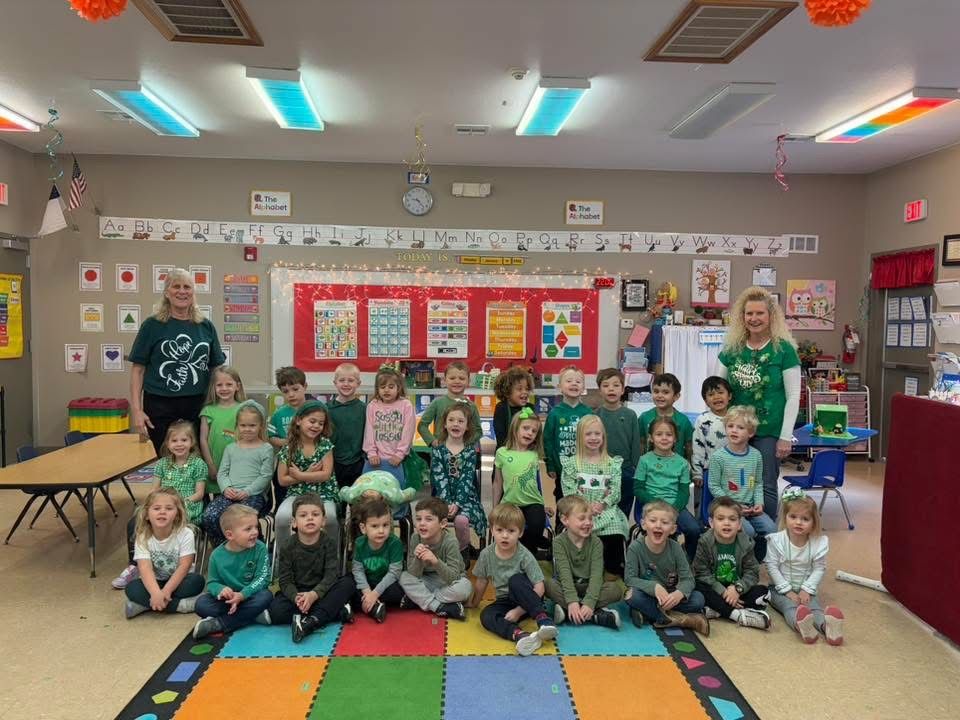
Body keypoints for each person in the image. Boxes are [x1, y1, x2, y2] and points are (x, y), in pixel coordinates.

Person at [718, 286, 801, 520]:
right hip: (736, 428)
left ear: (771, 316)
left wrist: (785, 435)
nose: (754, 319)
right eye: (749, 314)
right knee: (733, 481)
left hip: (769, 430)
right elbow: (716, 389)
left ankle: (765, 543)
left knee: (765, 484)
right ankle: (734, 535)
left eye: (759, 313)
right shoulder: (732, 349)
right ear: (742, 317)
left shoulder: (784, 350)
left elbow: (794, 395)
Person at [129, 267, 226, 454]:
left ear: (193, 292)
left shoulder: (205, 326)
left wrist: (221, 405)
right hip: (159, 403)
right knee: (166, 460)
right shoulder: (152, 325)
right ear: (167, 292)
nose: (182, 291)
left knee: (198, 459)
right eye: (176, 286)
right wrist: (136, 410)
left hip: (198, 403)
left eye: (187, 287)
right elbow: (138, 370)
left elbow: (217, 369)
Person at [113, 420, 207, 590]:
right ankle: (134, 565)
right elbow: (154, 489)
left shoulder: (198, 464)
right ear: (168, 443)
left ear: (192, 442)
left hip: (187, 506)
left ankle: (175, 565)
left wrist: (179, 504)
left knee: (171, 520)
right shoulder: (163, 463)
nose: (179, 444)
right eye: (174, 440)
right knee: (135, 521)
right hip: (162, 502)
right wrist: (149, 506)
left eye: (184, 440)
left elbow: (199, 493)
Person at [469, 503, 558, 656]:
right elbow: (482, 581)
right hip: (505, 601)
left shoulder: (524, 555)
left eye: (511, 531)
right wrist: (474, 603)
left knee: (515, 580)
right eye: (499, 530)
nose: (505, 535)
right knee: (486, 616)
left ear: (520, 533)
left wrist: (519, 611)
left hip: (529, 599)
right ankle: (519, 635)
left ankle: (544, 620)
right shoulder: (486, 555)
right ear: (492, 530)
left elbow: (539, 587)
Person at [270, 494, 356, 643]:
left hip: (322, 591)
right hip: (299, 593)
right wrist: (297, 597)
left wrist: (314, 595)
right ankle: (336, 612)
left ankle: (310, 622)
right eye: (303, 515)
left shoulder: (328, 543)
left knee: (348, 583)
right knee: (276, 610)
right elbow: (285, 580)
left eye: (315, 514)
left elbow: (331, 576)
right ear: (294, 523)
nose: (310, 518)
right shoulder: (287, 546)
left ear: (323, 521)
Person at [765, 489, 844, 645]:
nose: (798, 522)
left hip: (805, 590)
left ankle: (827, 628)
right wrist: (787, 591)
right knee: (790, 608)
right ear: (785, 517)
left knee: (814, 608)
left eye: (805, 519)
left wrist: (807, 589)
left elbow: (819, 568)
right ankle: (802, 627)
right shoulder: (776, 541)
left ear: (814, 522)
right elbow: (772, 567)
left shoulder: (817, 542)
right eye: (793, 517)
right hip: (779, 590)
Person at [624, 501, 709, 636]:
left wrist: (679, 593)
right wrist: (654, 586)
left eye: (664, 522)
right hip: (648, 594)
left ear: (673, 529)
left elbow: (688, 579)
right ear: (644, 524)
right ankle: (681, 620)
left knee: (698, 599)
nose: (658, 525)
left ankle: (649, 614)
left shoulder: (675, 548)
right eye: (653, 520)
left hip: (670, 596)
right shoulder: (635, 548)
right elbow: (629, 579)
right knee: (632, 596)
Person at [560, 415, 629, 576]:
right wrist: (585, 508)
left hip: (606, 511)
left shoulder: (612, 464)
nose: (593, 438)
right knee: (578, 532)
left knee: (615, 532)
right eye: (588, 434)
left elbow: (615, 490)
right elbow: (569, 492)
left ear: (603, 437)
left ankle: (612, 574)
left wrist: (602, 504)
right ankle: (583, 575)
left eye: (597, 434)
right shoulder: (571, 464)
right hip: (580, 512)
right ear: (580, 437)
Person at [193, 504, 272, 639]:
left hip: (250, 595)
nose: (255, 532)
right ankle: (252, 615)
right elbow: (212, 583)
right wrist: (221, 590)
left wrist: (242, 595)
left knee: (266, 596)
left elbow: (263, 579)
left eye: (256, 527)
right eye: (248, 529)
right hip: (228, 601)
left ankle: (219, 624)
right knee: (201, 604)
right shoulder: (216, 556)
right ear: (230, 535)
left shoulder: (260, 548)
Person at [123, 488, 205, 619]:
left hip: (180, 581)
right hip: (155, 581)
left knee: (197, 581)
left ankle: (144, 606)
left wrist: (166, 591)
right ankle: (182, 605)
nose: (162, 512)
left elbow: (185, 566)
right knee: (131, 588)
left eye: (168, 508)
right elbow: (145, 568)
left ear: (177, 514)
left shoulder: (186, 534)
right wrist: (156, 594)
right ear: (147, 515)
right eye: (156, 508)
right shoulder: (142, 536)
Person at [708, 405, 777, 559]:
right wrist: (734, 505)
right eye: (730, 426)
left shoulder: (756, 455)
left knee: (771, 529)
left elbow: (758, 483)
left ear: (750, 433)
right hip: (728, 508)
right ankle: (739, 560)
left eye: (740, 427)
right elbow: (714, 486)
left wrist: (759, 503)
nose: (734, 430)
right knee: (748, 532)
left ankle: (757, 559)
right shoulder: (718, 457)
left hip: (751, 508)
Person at [201, 401, 273, 545]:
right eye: (243, 425)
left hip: (253, 495)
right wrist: (226, 488)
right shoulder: (231, 448)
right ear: (237, 426)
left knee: (241, 519)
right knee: (209, 516)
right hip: (229, 494)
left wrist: (247, 491)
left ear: (260, 426)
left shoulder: (266, 448)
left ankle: (252, 548)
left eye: (252, 425)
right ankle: (224, 548)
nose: (247, 429)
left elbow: (265, 476)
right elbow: (222, 473)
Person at [692, 497, 771, 629]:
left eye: (732, 519)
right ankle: (736, 615)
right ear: (711, 522)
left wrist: (737, 589)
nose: (727, 523)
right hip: (714, 587)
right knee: (697, 587)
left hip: (735, 588)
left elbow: (752, 572)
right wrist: (723, 592)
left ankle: (718, 610)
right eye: (721, 518)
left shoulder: (746, 543)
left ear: (739, 524)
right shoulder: (704, 542)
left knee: (763, 592)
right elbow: (701, 573)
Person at [546, 496, 623, 629]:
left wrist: (589, 602)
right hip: (568, 587)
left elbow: (597, 575)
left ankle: (570, 612)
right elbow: (564, 574)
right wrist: (572, 601)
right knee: (548, 585)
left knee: (616, 590)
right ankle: (595, 615)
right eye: (582, 518)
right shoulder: (558, 542)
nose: (588, 523)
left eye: (590, 518)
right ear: (565, 520)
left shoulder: (596, 543)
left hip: (590, 587)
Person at [634, 416, 700, 562]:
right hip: (651, 506)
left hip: (674, 507)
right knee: (660, 529)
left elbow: (683, 492)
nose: (664, 438)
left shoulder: (682, 463)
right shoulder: (644, 460)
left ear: (675, 438)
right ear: (651, 438)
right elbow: (638, 489)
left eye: (669, 434)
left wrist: (673, 509)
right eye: (659, 434)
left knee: (694, 529)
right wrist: (655, 504)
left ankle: (686, 561)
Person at [276, 401, 339, 551]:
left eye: (321, 423)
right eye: (312, 421)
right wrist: (309, 474)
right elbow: (282, 480)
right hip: (297, 494)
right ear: (298, 420)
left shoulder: (324, 444)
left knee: (329, 518)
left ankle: (332, 558)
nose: (316, 426)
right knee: (282, 518)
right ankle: (283, 558)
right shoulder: (289, 448)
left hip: (324, 493)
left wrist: (300, 474)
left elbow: (325, 475)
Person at [399, 497, 473, 620]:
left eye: (428, 519)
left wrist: (435, 561)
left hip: (447, 582)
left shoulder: (450, 542)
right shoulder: (415, 538)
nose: (422, 523)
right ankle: (439, 607)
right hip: (426, 581)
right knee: (403, 577)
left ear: (443, 523)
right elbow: (413, 574)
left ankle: (419, 599)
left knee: (465, 588)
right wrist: (418, 559)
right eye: (418, 519)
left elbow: (454, 577)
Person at [430, 402, 488, 559]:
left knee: (461, 521)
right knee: (430, 520)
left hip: (466, 499)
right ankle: (438, 553)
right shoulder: (438, 450)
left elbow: (467, 479)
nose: (456, 424)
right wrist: (447, 502)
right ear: (445, 424)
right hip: (441, 499)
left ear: (468, 426)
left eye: (461, 421)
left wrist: (457, 504)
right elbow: (439, 478)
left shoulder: (470, 451)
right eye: (451, 420)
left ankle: (463, 554)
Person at [493, 408, 549, 555]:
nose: (529, 433)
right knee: (509, 530)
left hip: (533, 502)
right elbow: (498, 482)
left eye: (534, 431)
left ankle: (528, 555)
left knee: (537, 523)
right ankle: (529, 545)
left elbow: (538, 484)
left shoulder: (534, 454)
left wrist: (545, 505)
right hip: (510, 503)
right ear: (515, 428)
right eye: (526, 428)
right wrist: (495, 507)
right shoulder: (502, 453)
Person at [361, 365, 416, 509]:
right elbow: (369, 430)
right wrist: (371, 452)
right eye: (382, 386)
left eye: (391, 386)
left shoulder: (406, 405)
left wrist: (400, 454)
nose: (386, 390)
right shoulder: (373, 405)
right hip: (375, 460)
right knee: (371, 500)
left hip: (397, 461)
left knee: (395, 499)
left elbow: (408, 431)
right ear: (377, 389)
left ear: (399, 388)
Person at [595, 368, 641, 518]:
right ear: (600, 390)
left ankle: (622, 537)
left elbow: (635, 443)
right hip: (601, 469)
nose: (611, 389)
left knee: (623, 509)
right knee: (602, 507)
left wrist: (636, 468)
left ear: (622, 390)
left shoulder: (630, 415)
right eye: (606, 385)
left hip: (626, 469)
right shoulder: (595, 415)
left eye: (616, 385)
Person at [351, 498, 406, 622]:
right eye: (375, 526)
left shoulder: (395, 543)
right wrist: (367, 592)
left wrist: (374, 594)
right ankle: (374, 607)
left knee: (402, 590)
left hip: (386, 585)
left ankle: (363, 605)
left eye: (385, 525)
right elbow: (357, 570)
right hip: (367, 584)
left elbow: (394, 573)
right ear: (363, 528)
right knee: (345, 584)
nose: (381, 531)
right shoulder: (359, 543)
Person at [199, 365, 246, 495]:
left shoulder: (244, 409)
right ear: (213, 387)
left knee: (233, 495)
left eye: (229, 384)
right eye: (219, 385)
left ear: (237, 386)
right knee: (216, 494)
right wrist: (210, 465)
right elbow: (203, 439)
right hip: (215, 462)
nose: (224, 388)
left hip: (237, 463)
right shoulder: (208, 410)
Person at [269, 366, 310, 509]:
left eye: (295, 389)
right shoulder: (278, 414)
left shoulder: (316, 409)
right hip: (286, 465)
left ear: (305, 387)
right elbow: (271, 437)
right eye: (285, 391)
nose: (291, 394)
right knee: (284, 502)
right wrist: (286, 442)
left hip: (310, 463)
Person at [418, 361, 483, 447]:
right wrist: (432, 441)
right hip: (440, 452)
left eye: (462, 378)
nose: (457, 381)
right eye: (452, 378)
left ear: (468, 381)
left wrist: (466, 443)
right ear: (444, 380)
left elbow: (478, 431)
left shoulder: (471, 406)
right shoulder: (437, 403)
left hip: (464, 454)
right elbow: (422, 425)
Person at [691, 376, 733, 498]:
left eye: (721, 392)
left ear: (729, 396)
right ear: (705, 400)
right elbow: (698, 447)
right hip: (710, 471)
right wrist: (697, 473)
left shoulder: (737, 417)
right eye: (711, 394)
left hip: (734, 469)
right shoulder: (702, 420)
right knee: (708, 504)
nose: (717, 397)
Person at [328, 362, 367, 489]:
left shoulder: (364, 409)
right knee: (338, 500)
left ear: (358, 383)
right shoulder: (327, 409)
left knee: (356, 499)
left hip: (358, 462)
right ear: (335, 383)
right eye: (342, 380)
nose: (346, 384)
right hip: (333, 462)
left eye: (351, 380)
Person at [638, 373, 694, 459]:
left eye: (665, 392)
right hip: (651, 468)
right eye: (656, 391)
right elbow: (641, 443)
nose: (660, 395)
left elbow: (689, 447)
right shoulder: (644, 417)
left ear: (676, 396)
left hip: (676, 469)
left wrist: (690, 468)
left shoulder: (683, 421)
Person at [492, 366, 536, 449]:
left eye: (527, 389)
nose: (525, 392)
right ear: (507, 392)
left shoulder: (530, 408)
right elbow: (501, 437)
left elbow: (535, 433)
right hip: (506, 453)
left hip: (526, 453)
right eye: (519, 389)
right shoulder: (501, 408)